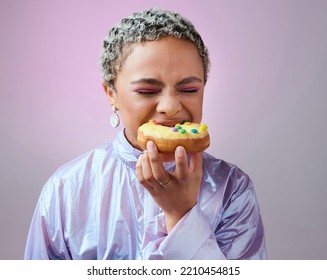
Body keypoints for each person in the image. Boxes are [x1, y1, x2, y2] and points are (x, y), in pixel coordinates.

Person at [24, 8, 266, 260]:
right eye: (148, 91)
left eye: (190, 89)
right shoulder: (66, 189)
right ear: (111, 94)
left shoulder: (232, 188)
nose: (170, 106)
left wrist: (181, 214)